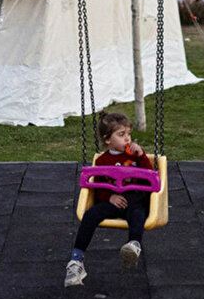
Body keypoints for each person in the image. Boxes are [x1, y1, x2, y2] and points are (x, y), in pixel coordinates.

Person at [64, 111, 154, 287]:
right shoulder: (102, 160)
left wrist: (141, 155)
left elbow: (149, 175)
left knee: (138, 213)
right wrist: (110, 196)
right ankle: (76, 261)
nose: (127, 139)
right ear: (107, 140)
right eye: (121, 135)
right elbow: (98, 187)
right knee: (90, 215)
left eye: (129, 134)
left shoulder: (134, 156)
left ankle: (133, 245)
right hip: (113, 201)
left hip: (134, 200)